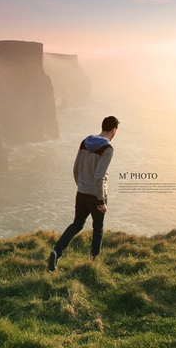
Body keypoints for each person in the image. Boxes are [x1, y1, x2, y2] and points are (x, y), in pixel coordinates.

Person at [48, 116, 119, 271]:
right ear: (114, 130)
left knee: (77, 224)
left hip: (81, 192)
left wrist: (81, 186)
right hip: (97, 195)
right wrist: (101, 201)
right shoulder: (108, 149)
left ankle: (56, 251)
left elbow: (75, 169)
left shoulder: (85, 141)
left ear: (102, 127)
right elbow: (99, 176)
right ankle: (93, 264)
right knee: (98, 228)